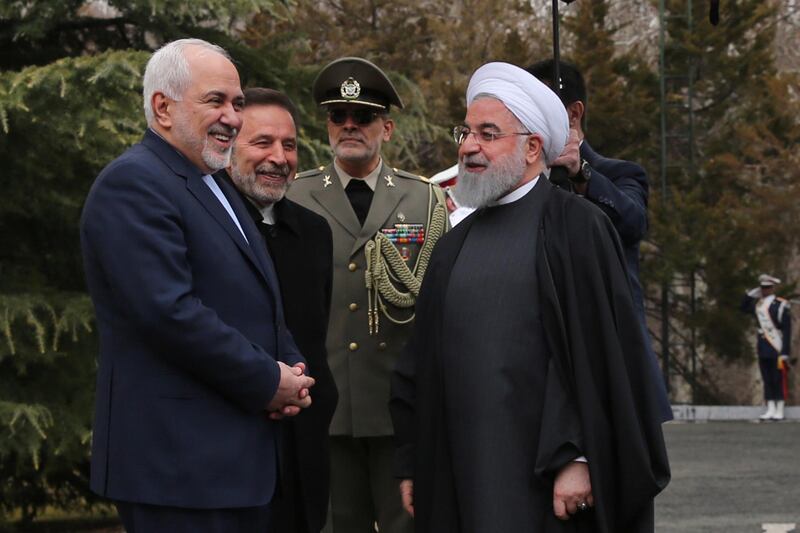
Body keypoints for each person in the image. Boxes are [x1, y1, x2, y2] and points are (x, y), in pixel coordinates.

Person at [390, 62, 670, 533]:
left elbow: (599, 356)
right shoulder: (454, 243)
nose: (468, 146)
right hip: (459, 469)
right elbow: (420, 362)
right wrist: (412, 460)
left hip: (546, 476)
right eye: (465, 132)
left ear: (533, 147)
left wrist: (579, 456)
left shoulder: (577, 227)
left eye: (487, 133)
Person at [80, 39, 314, 532]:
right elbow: (169, 313)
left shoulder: (213, 181)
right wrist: (267, 380)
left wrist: (291, 367)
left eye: (237, 103)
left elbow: (252, 297)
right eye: (216, 101)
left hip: (234, 463)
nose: (232, 116)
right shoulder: (134, 184)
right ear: (163, 107)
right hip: (178, 469)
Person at [287, 57, 448, 533]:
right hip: (324, 402)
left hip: (399, 407)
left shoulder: (424, 200)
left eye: (364, 117)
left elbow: (438, 302)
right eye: (339, 116)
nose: (350, 126)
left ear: (388, 128)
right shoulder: (296, 196)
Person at [527, 59, 672, 422]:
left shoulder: (618, 174)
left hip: (611, 364)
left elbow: (632, 222)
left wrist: (581, 174)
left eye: (541, 107)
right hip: (537, 369)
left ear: (574, 114)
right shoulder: (517, 186)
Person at [222, 87, 338, 532]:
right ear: (230, 146)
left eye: (288, 145)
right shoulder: (211, 229)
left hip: (305, 449)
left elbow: (315, 330)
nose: (279, 157)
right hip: (237, 450)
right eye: (263, 143)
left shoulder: (313, 233)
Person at [741, 274, 792, 421]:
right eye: (762, 288)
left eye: (767, 288)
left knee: (778, 378)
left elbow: (787, 330)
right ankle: (770, 407)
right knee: (767, 377)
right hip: (763, 346)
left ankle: (780, 408)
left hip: (777, 346)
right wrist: (751, 294)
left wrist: (785, 352)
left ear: (773, 288)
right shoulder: (758, 305)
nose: (765, 290)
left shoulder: (781, 304)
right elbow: (743, 307)